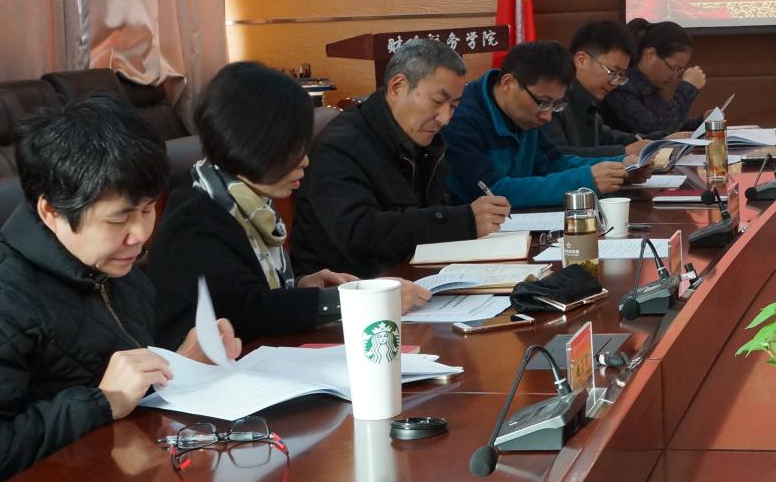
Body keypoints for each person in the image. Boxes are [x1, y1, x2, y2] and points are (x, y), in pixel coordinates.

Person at [0, 96, 241, 482]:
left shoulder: (116, 271)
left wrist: (180, 363)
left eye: (147, 209)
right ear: (51, 211)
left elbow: (113, 378)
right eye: (118, 219)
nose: (139, 234)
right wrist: (100, 402)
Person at [149, 62, 429, 348]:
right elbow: (245, 311)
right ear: (252, 142)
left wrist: (299, 285)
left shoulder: (247, 204)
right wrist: (361, 300)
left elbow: (252, 292)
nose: (304, 161)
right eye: (291, 148)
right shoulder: (195, 219)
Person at [292, 39, 510, 277]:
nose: (445, 118)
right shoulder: (339, 146)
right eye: (437, 102)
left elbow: (429, 211)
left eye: (454, 106)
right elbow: (360, 235)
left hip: (411, 276)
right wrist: (463, 221)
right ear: (397, 87)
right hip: (352, 289)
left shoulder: (426, 141)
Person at [442, 40, 628, 207]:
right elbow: (491, 191)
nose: (547, 116)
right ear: (508, 83)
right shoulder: (459, 117)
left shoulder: (526, 116)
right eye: (543, 103)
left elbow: (553, 164)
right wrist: (585, 181)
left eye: (556, 105)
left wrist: (621, 166)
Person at [547, 20, 655, 160]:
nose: (615, 83)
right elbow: (557, 157)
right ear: (581, 60)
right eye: (613, 72)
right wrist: (624, 152)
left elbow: (607, 137)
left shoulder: (586, 100)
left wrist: (660, 140)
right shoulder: (551, 99)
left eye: (621, 75)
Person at [605, 19, 707, 137]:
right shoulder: (622, 85)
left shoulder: (650, 85)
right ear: (650, 54)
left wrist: (702, 121)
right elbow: (659, 132)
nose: (674, 76)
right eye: (673, 68)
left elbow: (667, 120)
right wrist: (687, 89)